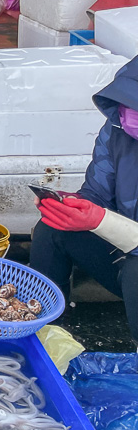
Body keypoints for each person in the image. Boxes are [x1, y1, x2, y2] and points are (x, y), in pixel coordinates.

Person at [30, 57, 138, 346]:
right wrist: (69, 206)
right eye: (128, 108)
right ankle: (44, 333)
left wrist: (99, 219)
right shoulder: (117, 131)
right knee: (52, 229)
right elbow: (96, 193)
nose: (130, 116)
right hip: (122, 249)